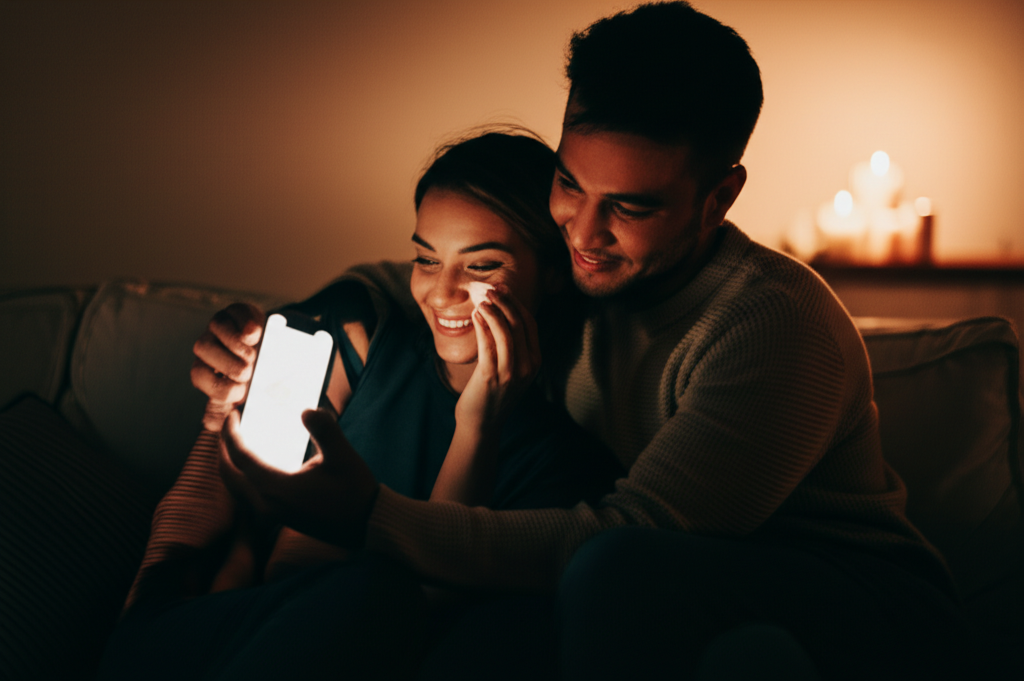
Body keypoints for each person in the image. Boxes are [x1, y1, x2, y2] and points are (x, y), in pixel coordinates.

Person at [210, 3, 978, 679]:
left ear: (719, 197)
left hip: (856, 601)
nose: (581, 231)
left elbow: (625, 538)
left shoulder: (771, 325)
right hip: (659, 576)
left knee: (612, 572)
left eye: (630, 207)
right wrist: (281, 329)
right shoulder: (581, 263)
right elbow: (415, 275)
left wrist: (374, 514)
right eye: (570, 183)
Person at [97, 129, 622, 680]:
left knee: (388, 592)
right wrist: (225, 405)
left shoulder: (563, 466)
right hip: (210, 636)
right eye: (426, 259)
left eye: (481, 266)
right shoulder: (358, 338)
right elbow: (216, 503)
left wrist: (478, 423)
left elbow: (421, 606)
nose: (441, 293)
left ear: (554, 272)